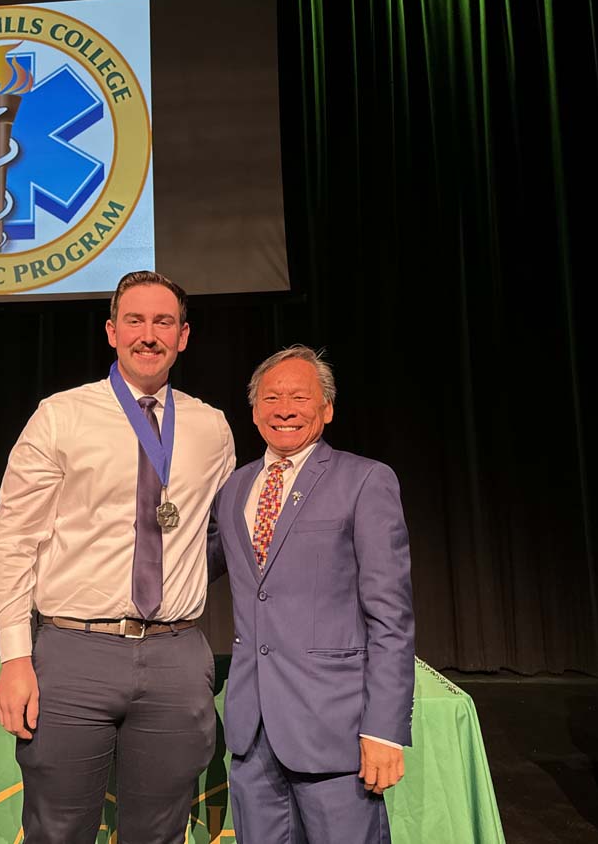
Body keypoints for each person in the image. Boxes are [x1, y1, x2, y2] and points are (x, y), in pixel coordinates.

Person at [0, 271, 236, 842]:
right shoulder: (60, 415)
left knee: (161, 832)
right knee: (58, 830)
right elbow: (13, 541)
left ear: (184, 336)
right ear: (111, 331)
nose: (149, 335)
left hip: (175, 654)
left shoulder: (211, 427)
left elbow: (217, 535)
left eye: (163, 322)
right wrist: (14, 657)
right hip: (74, 653)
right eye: (135, 320)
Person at [208, 345, 414, 843]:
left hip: (333, 732)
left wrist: (383, 729)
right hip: (251, 735)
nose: (285, 409)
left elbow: (391, 615)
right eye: (272, 397)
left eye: (301, 397)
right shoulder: (233, 490)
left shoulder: (364, 480)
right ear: (254, 410)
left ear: (327, 409)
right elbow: (193, 572)